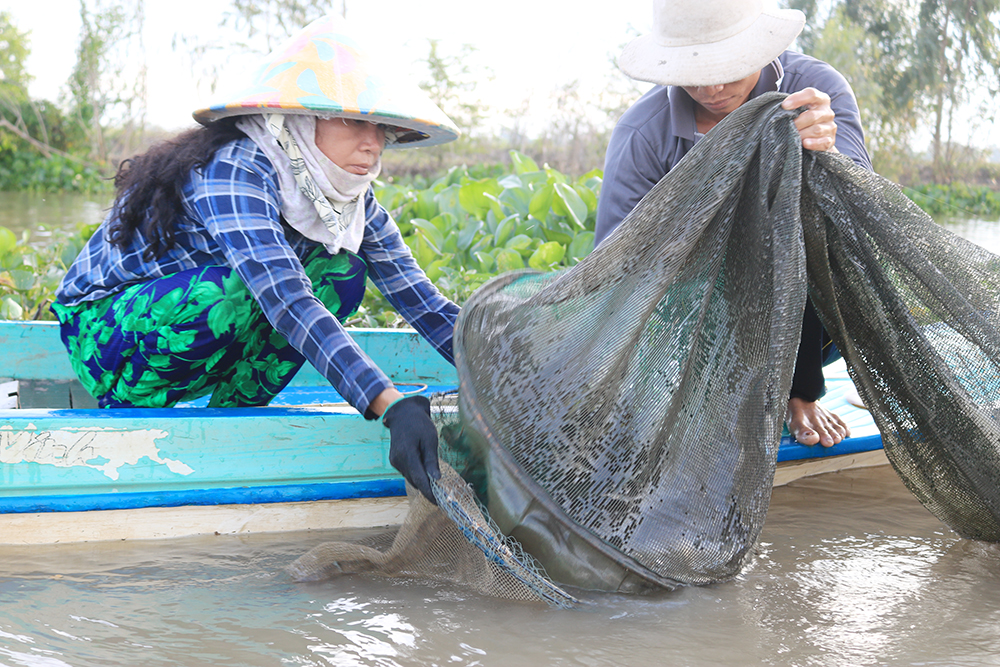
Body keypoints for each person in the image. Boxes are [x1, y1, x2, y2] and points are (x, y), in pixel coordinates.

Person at [52, 16, 457, 503]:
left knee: (343, 275)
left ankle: (229, 424)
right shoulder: (237, 168)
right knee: (232, 293)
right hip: (104, 330)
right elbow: (285, 298)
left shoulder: (348, 199)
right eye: (354, 122)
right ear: (302, 120)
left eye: (380, 128)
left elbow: (425, 305)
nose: (372, 144)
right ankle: (130, 422)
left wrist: (504, 370)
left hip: (202, 320)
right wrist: (390, 406)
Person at [596, 0, 874, 448]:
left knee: (799, 213)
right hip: (695, 316)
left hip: (811, 314)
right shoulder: (643, 134)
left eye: (729, 66)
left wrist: (826, 153)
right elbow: (615, 268)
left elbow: (860, 221)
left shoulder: (817, 89)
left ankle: (799, 391)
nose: (713, 87)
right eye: (694, 71)